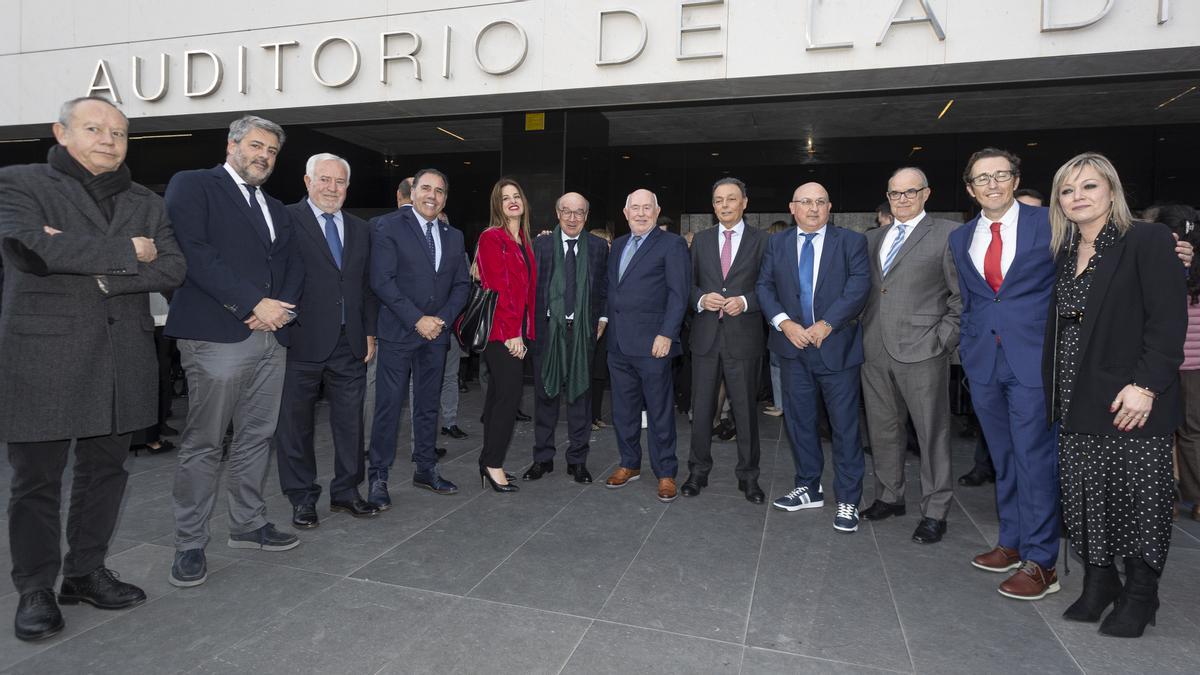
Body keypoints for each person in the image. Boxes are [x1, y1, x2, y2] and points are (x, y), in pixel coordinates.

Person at [0, 96, 186, 641]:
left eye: (119, 133)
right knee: (36, 482)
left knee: (105, 473)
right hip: (44, 357)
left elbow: (174, 267)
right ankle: (35, 587)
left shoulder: (144, 198)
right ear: (61, 132)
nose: (109, 139)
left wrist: (97, 267)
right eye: (94, 128)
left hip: (120, 357)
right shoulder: (20, 183)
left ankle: (84, 572)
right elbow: (29, 250)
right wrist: (130, 251)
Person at [1045, 153, 1185, 637]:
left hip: (1131, 400)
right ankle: (1100, 584)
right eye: (1067, 190)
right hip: (1076, 397)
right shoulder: (1064, 251)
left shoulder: (1145, 240)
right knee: (1086, 499)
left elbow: (1168, 321)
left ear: (1112, 191)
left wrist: (1146, 386)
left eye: (1089, 186)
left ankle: (1142, 595)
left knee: (1137, 498)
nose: (1078, 197)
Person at [164, 114, 305, 587]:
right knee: (205, 443)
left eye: (271, 151)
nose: (264, 156)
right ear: (232, 145)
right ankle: (189, 543)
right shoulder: (194, 185)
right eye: (256, 146)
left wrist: (278, 310)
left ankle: (247, 524)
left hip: (271, 336)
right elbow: (195, 253)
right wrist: (251, 303)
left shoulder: (276, 208)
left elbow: (291, 263)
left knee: (255, 438)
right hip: (216, 336)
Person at [273, 153, 380, 529]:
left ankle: (347, 492)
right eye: (324, 180)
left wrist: (369, 331)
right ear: (307, 181)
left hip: (349, 342)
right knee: (295, 425)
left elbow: (366, 286)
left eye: (339, 182)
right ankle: (302, 498)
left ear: (347, 188)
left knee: (351, 424)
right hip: (299, 340)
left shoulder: (360, 228)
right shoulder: (286, 219)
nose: (332, 188)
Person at [757, 183, 870, 531]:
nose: (813, 208)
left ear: (830, 206)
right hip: (792, 350)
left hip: (835, 349)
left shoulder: (851, 242)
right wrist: (784, 323)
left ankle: (848, 498)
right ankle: (808, 487)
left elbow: (859, 285)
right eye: (806, 202)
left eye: (820, 202)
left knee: (845, 428)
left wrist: (828, 324)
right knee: (799, 424)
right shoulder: (776, 243)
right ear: (792, 207)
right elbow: (764, 286)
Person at [859, 168, 961, 542]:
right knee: (883, 429)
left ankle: (935, 510)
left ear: (926, 193)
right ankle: (889, 495)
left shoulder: (949, 234)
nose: (902, 200)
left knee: (931, 433)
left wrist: (943, 340)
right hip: (874, 349)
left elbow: (960, 297)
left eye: (910, 192)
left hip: (924, 351)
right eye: (895, 194)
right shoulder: (873, 238)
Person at [367, 168, 470, 505]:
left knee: (427, 406)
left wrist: (439, 320)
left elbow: (461, 285)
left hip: (436, 335)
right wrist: (417, 319)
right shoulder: (388, 226)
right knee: (389, 406)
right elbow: (382, 280)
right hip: (399, 332)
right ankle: (378, 477)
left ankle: (426, 469)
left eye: (440, 191)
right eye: (426, 188)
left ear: (445, 198)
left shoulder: (453, 236)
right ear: (412, 192)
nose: (432, 196)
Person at [682, 177, 769, 504]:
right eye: (718, 200)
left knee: (745, 413)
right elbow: (687, 286)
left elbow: (770, 285)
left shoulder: (762, 241)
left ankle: (749, 477)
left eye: (731, 199)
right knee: (701, 410)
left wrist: (745, 302)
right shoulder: (700, 241)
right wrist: (702, 299)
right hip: (705, 338)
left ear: (744, 202)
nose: (725, 205)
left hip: (743, 339)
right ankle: (697, 472)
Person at [604, 189, 691, 502]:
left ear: (657, 211)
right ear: (625, 213)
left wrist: (667, 333)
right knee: (623, 411)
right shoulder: (617, 246)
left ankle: (665, 472)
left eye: (647, 208)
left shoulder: (672, 244)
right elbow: (612, 290)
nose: (641, 213)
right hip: (618, 343)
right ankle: (629, 464)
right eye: (635, 208)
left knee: (659, 411)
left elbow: (679, 294)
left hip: (654, 344)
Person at [523, 192, 607, 484]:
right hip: (548, 331)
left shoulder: (598, 247)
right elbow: (529, 289)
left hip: (583, 333)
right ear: (557, 214)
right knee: (545, 396)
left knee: (580, 399)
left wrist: (603, 319)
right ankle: (542, 459)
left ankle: (577, 461)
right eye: (567, 212)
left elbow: (605, 288)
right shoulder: (541, 245)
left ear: (586, 216)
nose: (573, 218)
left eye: (579, 212)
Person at [474, 178, 538, 492]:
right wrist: (513, 333)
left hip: (517, 331)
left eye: (516, 196)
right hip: (502, 334)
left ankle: (489, 460)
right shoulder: (492, 237)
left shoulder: (523, 240)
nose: (512, 201)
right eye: (504, 198)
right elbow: (497, 289)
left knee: (499, 398)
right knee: (507, 399)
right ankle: (492, 463)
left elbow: (526, 290)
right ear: (497, 206)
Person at [1155, 204, 1200, 521]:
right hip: (1189, 363)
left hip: (1168, 360)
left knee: (1166, 434)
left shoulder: (1169, 261)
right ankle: (1193, 498)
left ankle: (1175, 497)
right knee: (1190, 433)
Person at [590, 227, 613, 429]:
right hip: (589, 324)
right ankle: (587, 417)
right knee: (587, 373)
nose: (607, 246)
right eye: (604, 242)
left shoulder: (610, 267)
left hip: (606, 325)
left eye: (609, 243)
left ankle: (596, 415)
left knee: (599, 373)